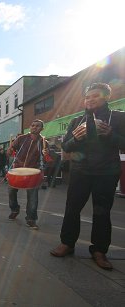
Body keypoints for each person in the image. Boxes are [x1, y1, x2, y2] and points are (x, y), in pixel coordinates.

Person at [50, 83, 125, 270]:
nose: (90, 99)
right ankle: (67, 243)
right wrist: (75, 138)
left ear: (107, 97)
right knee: (72, 208)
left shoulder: (118, 117)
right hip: (80, 171)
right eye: (87, 97)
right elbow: (65, 147)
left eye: (95, 96)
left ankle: (99, 250)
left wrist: (110, 135)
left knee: (102, 212)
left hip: (107, 172)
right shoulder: (76, 121)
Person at [7, 120, 49, 230]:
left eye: (37, 126)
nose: (34, 127)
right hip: (18, 169)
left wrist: (46, 154)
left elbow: (47, 159)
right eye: (32, 125)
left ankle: (31, 219)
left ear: (42, 129)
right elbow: (9, 153)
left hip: (32, 172)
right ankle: (14, 209)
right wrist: (10, 150)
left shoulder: (43, 141)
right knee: (11, 191)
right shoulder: (21, 138)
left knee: (33, 197)